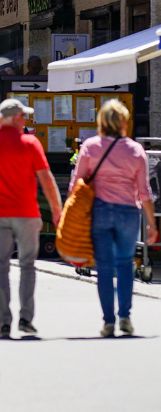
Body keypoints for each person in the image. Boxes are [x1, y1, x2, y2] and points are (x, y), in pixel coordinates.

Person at [0, 98, 62, 338]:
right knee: (27, 266)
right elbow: (46, 179)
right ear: (14, 119)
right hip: (26, 213)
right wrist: (56, 210)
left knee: (0, 267)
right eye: (23, 116)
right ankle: (25, 318)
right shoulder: (30, 144)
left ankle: (4, 323)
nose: (26, 120)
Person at [70, 99, 158, 336]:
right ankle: (125, 317)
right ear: (123, 122)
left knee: (105, 266)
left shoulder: (90, 146)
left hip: (99, 210)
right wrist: (151, 222)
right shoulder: (135, 149)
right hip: (128, 211)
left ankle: (108, 321)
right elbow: (144, 191)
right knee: (125, 264)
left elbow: (75, 183)